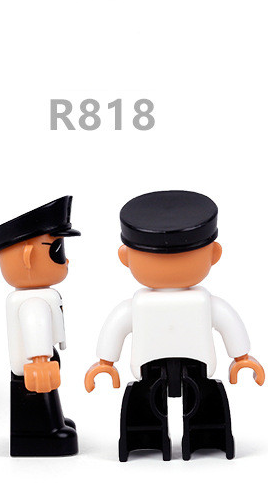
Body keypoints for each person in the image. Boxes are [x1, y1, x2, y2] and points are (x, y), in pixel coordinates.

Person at [85, 190, 264, 461]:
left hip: (197, 366)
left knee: (205, 399)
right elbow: (117, 326)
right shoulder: (137, 305)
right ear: (125, 257)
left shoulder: (204, 302)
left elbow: (227, 321)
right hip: (149, 367)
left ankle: (209, 435)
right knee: (144, 402)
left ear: (214, 254)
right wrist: (105, 363)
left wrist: (241, 358)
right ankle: (144, 437)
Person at [0, 196, 79, 456]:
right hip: (34, 366)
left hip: (40, 361)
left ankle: (54, 422)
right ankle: (43, 433)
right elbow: (34, 323)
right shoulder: (32, 301)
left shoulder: (35, 296)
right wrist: (39, 360)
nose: (65, 261)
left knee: (47, 396)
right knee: (38, 398)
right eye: (57, 251)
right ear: (28, 257)